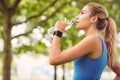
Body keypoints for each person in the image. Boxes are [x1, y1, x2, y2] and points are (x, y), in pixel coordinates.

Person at [49, 2, 120, 80]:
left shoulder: (93, 40)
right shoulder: (100, 42)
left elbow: (54, 59)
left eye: (82, 13)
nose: (77, 17)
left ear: (93, 19)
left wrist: (58, 32)